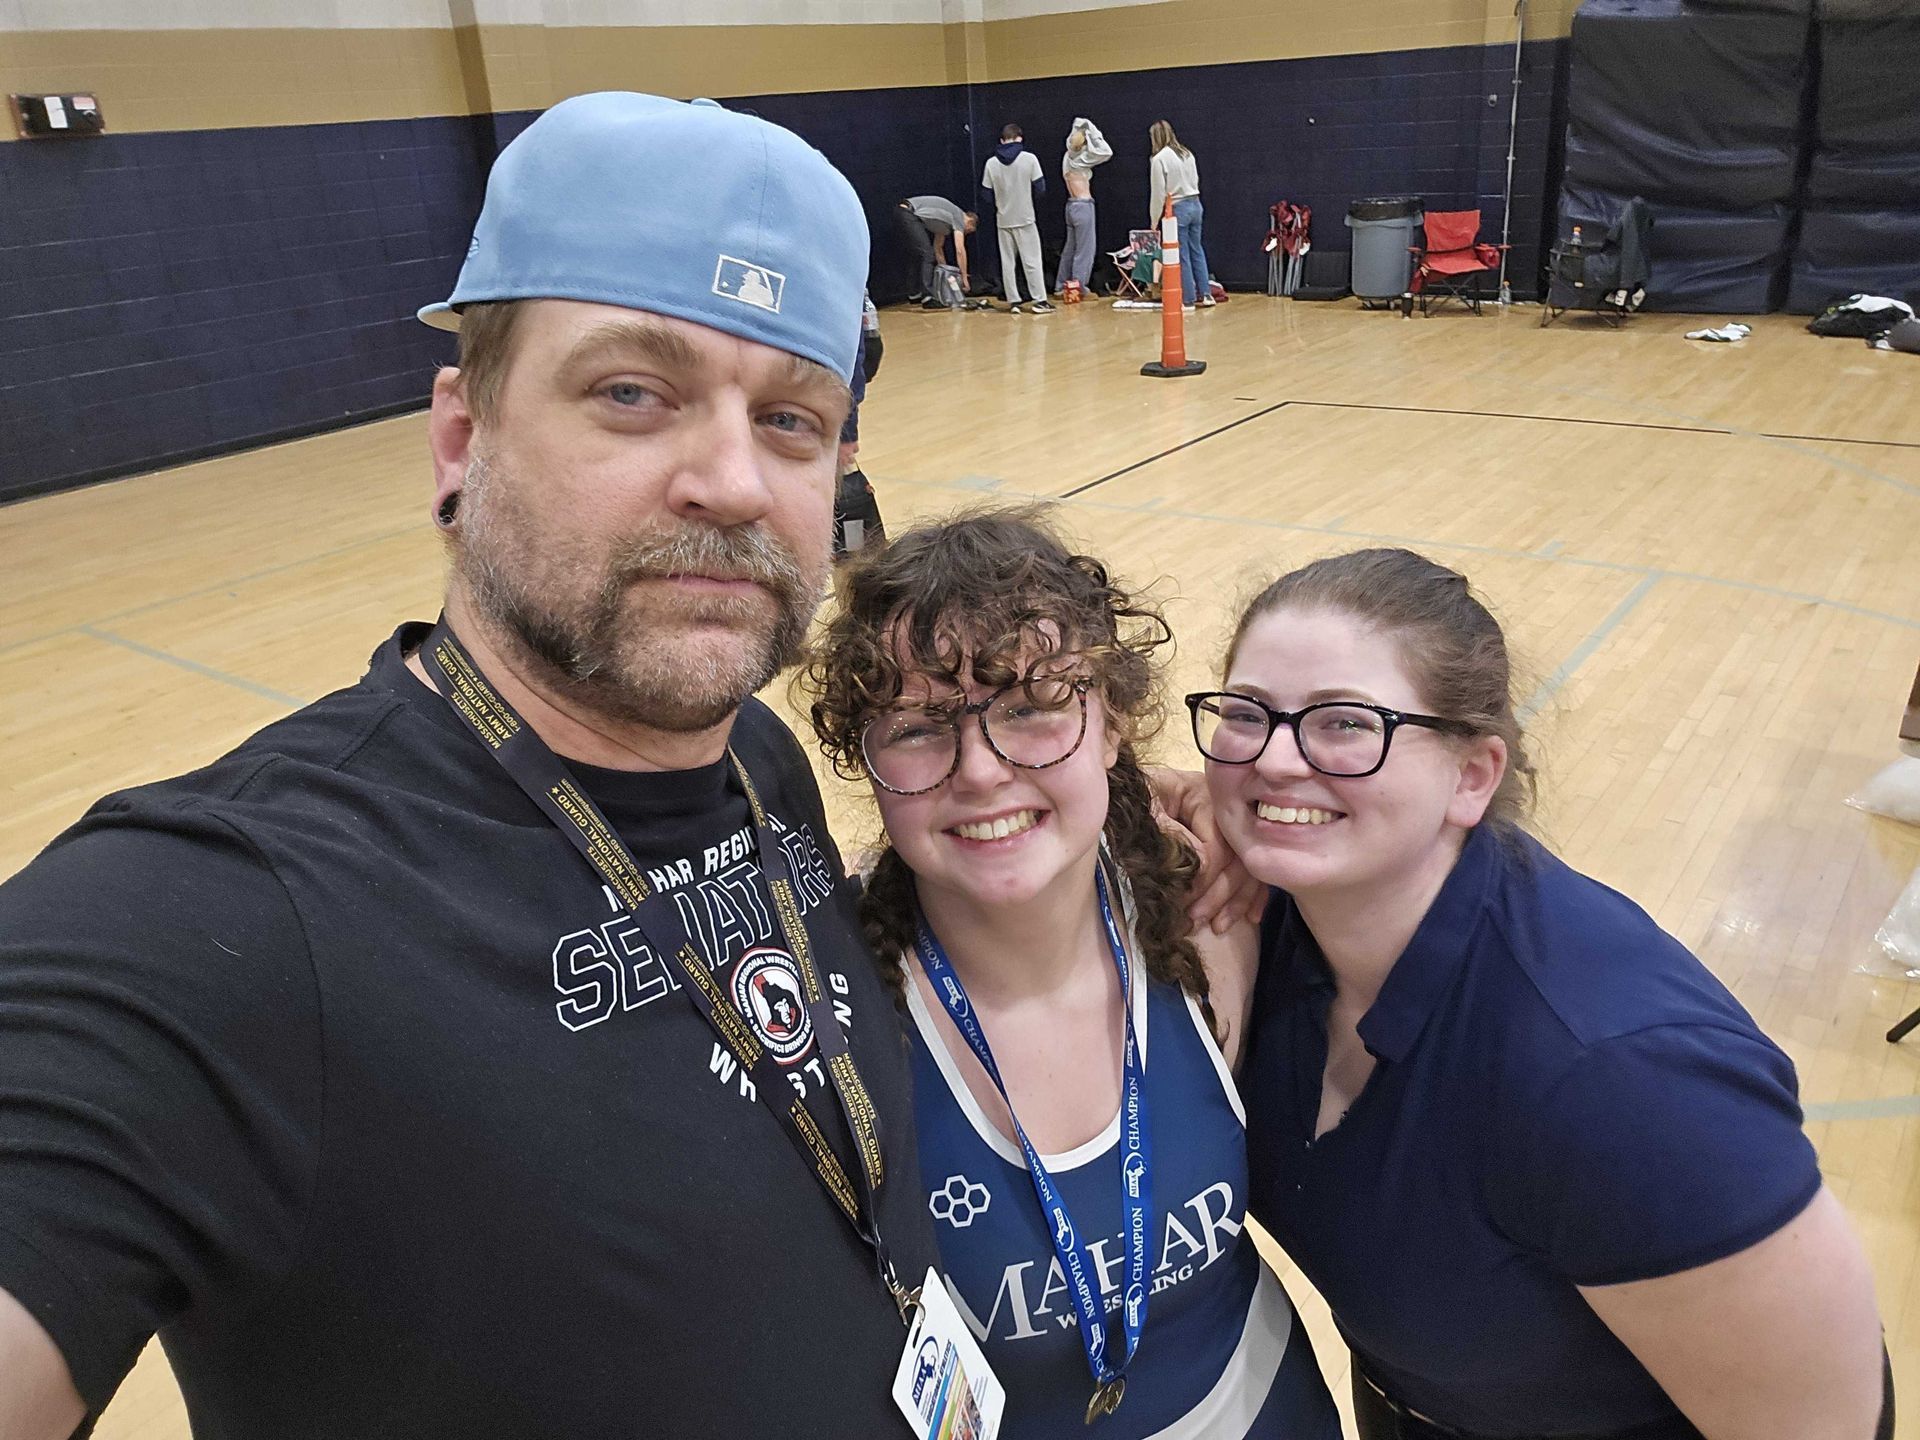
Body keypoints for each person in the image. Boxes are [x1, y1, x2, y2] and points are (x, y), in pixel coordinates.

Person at [0, 92, 942, 1439]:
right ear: (461, 440)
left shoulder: (759, 761)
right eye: (633, 393)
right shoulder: (226, 922)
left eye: (793, 420)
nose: (733, 481)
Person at [1188, 547, 1891, 1440]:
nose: (1275, 762)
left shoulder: (1619, 1078)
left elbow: (1820, 1426)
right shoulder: (1273, 913)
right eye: (1247, 716)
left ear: (1473, 775)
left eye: (1345, 724)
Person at [801, 508, 1342, 1440]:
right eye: (921, 727)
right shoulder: (830, 1007)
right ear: (866, 760)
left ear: (1112, 725)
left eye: (1031, 708)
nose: (981, 772)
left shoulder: (1212, 922)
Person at [982, 125, 1054, 314]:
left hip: (1003, 219)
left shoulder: (991, 163)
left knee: (1007, 262)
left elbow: (986, 195)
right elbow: (1040, 188)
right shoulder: (1030, 159)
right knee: (1032, 261)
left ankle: (1014, 301)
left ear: (1002, 140)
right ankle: (1040, 301)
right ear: (1020, 138)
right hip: (1025, 217)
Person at [1148, 120, 1214, 309]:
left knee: (1181, 254)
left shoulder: (1159, 159)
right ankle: (1207, 294)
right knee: (1197, 250)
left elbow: (1158, 192)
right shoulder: (1187, 154)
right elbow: (1196, 180)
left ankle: (1188, 299)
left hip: (1178, 207)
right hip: (1196, 203)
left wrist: (1154, 219)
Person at [1056, 117, 1113, 300]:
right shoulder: (1081, 159)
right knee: (1085, 251)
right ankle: (1078, 287)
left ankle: (1061, 285)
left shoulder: (1067, 157)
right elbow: (1106, 152)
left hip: (1070, 205)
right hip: (1083, 205)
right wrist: (1092, 131)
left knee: (1070, 249)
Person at [898, 194, 975, 304]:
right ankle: (928, 297)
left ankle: (914, 294)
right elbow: (960, 250)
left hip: (903, 212)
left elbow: (938, 249)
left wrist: (945, 274)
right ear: (970, 222)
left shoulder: (944, 223)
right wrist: (964, 277)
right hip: (909, 212)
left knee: (917, 255)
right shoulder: (959, 216)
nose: (965, 233)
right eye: (969, 231)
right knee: (927, 254)